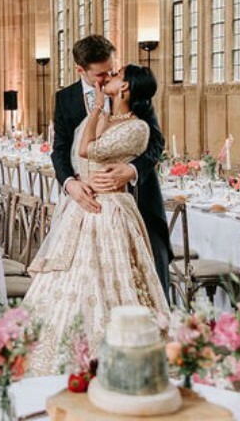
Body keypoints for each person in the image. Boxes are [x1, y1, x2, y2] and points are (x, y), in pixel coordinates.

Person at [50, 35, 171, 293]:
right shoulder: (65, 99)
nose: (108, 78)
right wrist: (71, 184)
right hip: (87, 201)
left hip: (137, 199)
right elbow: (59, 151)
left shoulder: (132, 91)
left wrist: (133, 169)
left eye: (111, 71)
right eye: (100, 75)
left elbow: (156, 143)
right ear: (81, 70)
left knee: (146, 280)